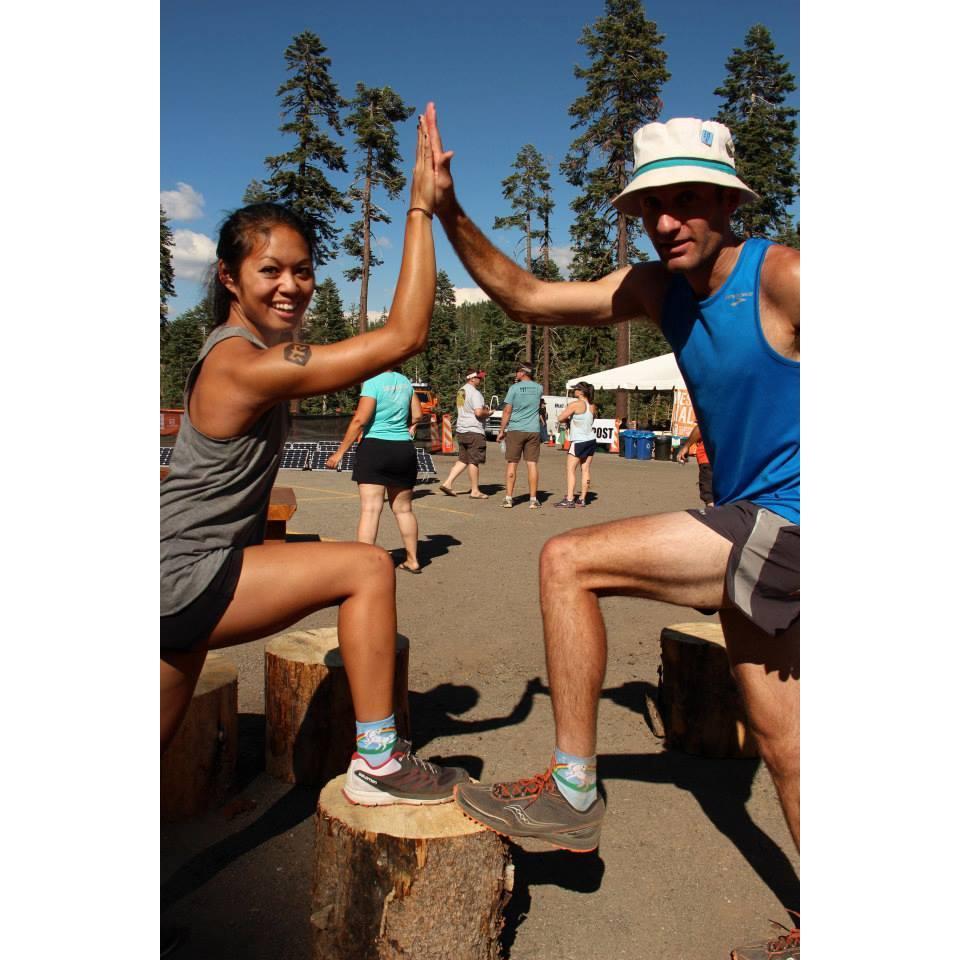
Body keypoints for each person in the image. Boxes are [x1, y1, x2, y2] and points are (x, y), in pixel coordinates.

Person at [426, 107, 799, 947]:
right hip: (751, 521)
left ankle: (572, 793)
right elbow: (524, 295)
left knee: (568, 559)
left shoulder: (784, 278)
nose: (665, 222)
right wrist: (449, 211)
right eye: (649, 207)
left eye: (687, 201)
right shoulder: (656, 289)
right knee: (785, 745)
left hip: (793, 519)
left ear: (729, 202)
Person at [160, 109, 466, 807]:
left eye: (302, 271)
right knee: (366, 568)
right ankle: (380, 762)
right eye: (269, 270)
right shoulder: (243, 364)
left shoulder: (240, 355)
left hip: (170, 572)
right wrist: (420, 208)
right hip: (186, 577)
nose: (290, 286)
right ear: (232, 279)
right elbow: (405, 334)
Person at [325, 368, 424, 573]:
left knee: (371, 509)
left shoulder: (373, 382)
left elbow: (360, 420)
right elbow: (417, 415)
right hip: (403, 449)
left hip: (376, 448)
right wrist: (409, 428)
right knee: (404, 509)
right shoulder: (406, 382)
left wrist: (339, 453)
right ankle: (413, 560)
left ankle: (364, 565)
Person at [497, 363, 545, 509]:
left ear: (524, 372)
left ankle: (508, 498)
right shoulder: (539, 388)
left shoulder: (514, 389)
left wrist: (501, 430)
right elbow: (539, 406)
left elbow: (507, 411)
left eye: (517, 371)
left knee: (512, 463)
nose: (516, 374)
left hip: (516, 429)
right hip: (533, 429)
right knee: (532, 464)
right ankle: (533, 499)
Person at [438, 370, 490, 499]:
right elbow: (478, 413)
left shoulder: (461, 391)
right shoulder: (475, 393)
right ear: (472, 379)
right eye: (479, 378)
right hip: (474, 430)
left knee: (463, 459)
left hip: (462, 429)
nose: (480, 380)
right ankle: (475, 491)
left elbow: (463, 409)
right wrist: (488, 413)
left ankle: (447, 483)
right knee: (474, 460)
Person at [554, 381, 596, 508]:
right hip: (591, 439)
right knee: (585, 469)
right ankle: (582, 499)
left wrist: (568, 417)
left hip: (579, 441)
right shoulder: (592, 406)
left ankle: (570, 499)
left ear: (581, 392)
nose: (574, 391)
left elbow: (560, 418)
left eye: (576, 389)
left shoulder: (576, 404)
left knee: (570, 469)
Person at [676, 423, 714, 508]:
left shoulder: (716, 412)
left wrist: (686, 446)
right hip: (729, 460)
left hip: (708, 457)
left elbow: (701, 427)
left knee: (710, 499)